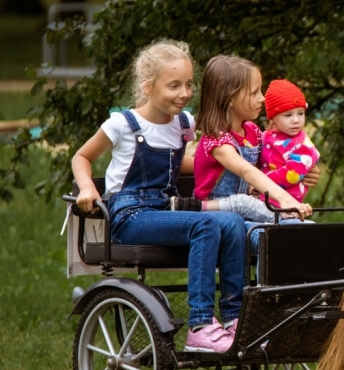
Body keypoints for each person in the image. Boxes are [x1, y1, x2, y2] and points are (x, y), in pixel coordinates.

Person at [70, 40, 248, 353]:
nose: (184, 93)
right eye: (174, 86)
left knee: (232, 222)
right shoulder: (122, 124)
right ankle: (201, 325)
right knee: (205, 225)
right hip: (129, 215)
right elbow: (81, 157)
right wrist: (87, 187)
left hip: (165, 209)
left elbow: (183, 166)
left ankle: (235, 319)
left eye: (189, 84)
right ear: (149, 87)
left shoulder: (185, 123)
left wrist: (234, 164)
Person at [185, 56, 313, 224]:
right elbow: (246, 170)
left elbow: (271, 164)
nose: (262, 98)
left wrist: (304, 170)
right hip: (218, 215)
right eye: (254, 92)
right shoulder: (216, 139)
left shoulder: (253, 131)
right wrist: (283, 198)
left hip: (250, 211)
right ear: (230, 98)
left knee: (298, 227)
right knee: (274, 222)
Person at [260, 79, 320, 203]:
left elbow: (292, 175)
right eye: (288, 115)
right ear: (272, 118)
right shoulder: (265, 136)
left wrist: (258, 181)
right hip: (263, 198)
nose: (296, 120)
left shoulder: (303, 144)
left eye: (300, 113)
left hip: (286, 204)